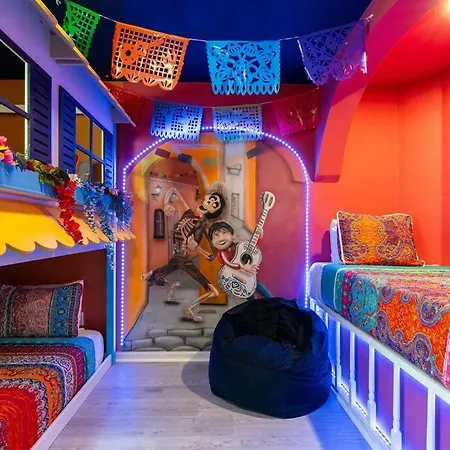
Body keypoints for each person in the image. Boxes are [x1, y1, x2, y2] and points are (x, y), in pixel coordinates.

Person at [141, 187, 224, 323]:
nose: (210, 203)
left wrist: (198, 249)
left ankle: (185, 304)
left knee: (213, 291)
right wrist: (165, 204)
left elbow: (211, 255)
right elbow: (174, 190)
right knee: (150, 276)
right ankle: (174, 290)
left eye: (214, 205)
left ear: (213, 212)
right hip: (177, 258)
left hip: (184, 260)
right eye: (211, 199)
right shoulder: (189, 214)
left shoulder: (202, 225)